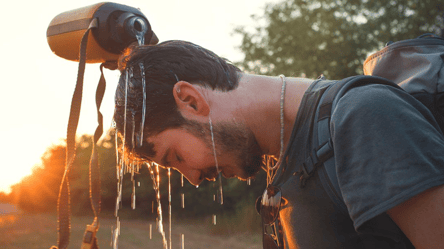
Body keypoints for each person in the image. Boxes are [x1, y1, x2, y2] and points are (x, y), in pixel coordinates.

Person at [113, 40, 444, 249]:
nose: (193, 179)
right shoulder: (281, 163)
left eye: (175, 157)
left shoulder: (363, 116)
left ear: (190, 100)